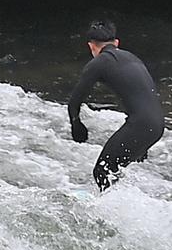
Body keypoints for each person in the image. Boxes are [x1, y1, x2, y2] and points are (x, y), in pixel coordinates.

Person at [66, 20, 165, 189]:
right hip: (157, 125)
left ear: (91, 46)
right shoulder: (133, 58)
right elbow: (145, 95)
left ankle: (110, 212)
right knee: (113, 170)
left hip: (140, 126)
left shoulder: (98, 63)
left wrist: (76, 124)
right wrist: (143, 144)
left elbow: (74, 101)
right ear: (116, 43)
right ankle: (123, 204)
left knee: (102, 171)